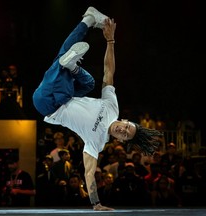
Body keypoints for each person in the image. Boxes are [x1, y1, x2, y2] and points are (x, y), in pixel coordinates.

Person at [32, 6, 163, 210]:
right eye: (127, 127)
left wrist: (96, 203)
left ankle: (83, 33)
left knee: (62, 59)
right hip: (65, 92)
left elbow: (89, 171)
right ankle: (81, 41)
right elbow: (109, 71)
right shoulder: (112, 107)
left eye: (125, 135)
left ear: (120, 140)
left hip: (48, 104)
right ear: (125, 121)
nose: (123, 130)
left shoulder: (97, 141)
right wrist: (110, 41)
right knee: (90, 83)